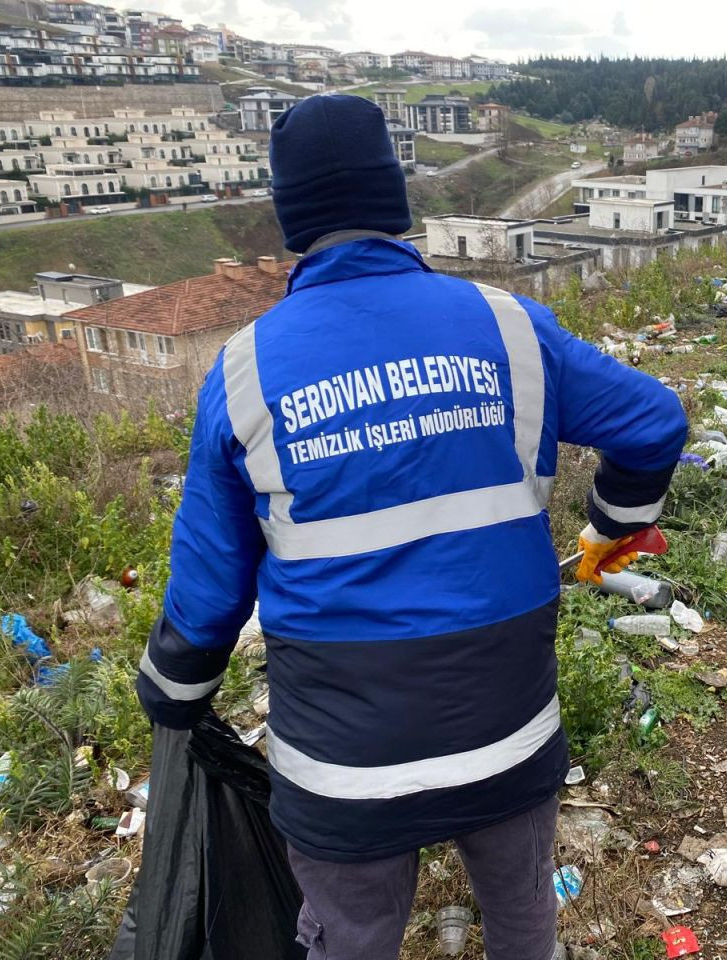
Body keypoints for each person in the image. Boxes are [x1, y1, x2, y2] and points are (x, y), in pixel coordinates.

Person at [135, 95, 687, 960]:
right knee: (520, 917)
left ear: (293, 219)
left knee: (351, 937)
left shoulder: (245, 370)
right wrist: (609, 530)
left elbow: (210, 587)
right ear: (397, 202)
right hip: (505, 723)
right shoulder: (508, 327)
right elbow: (653, 423)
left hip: (343, 761)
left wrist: (172, 693)